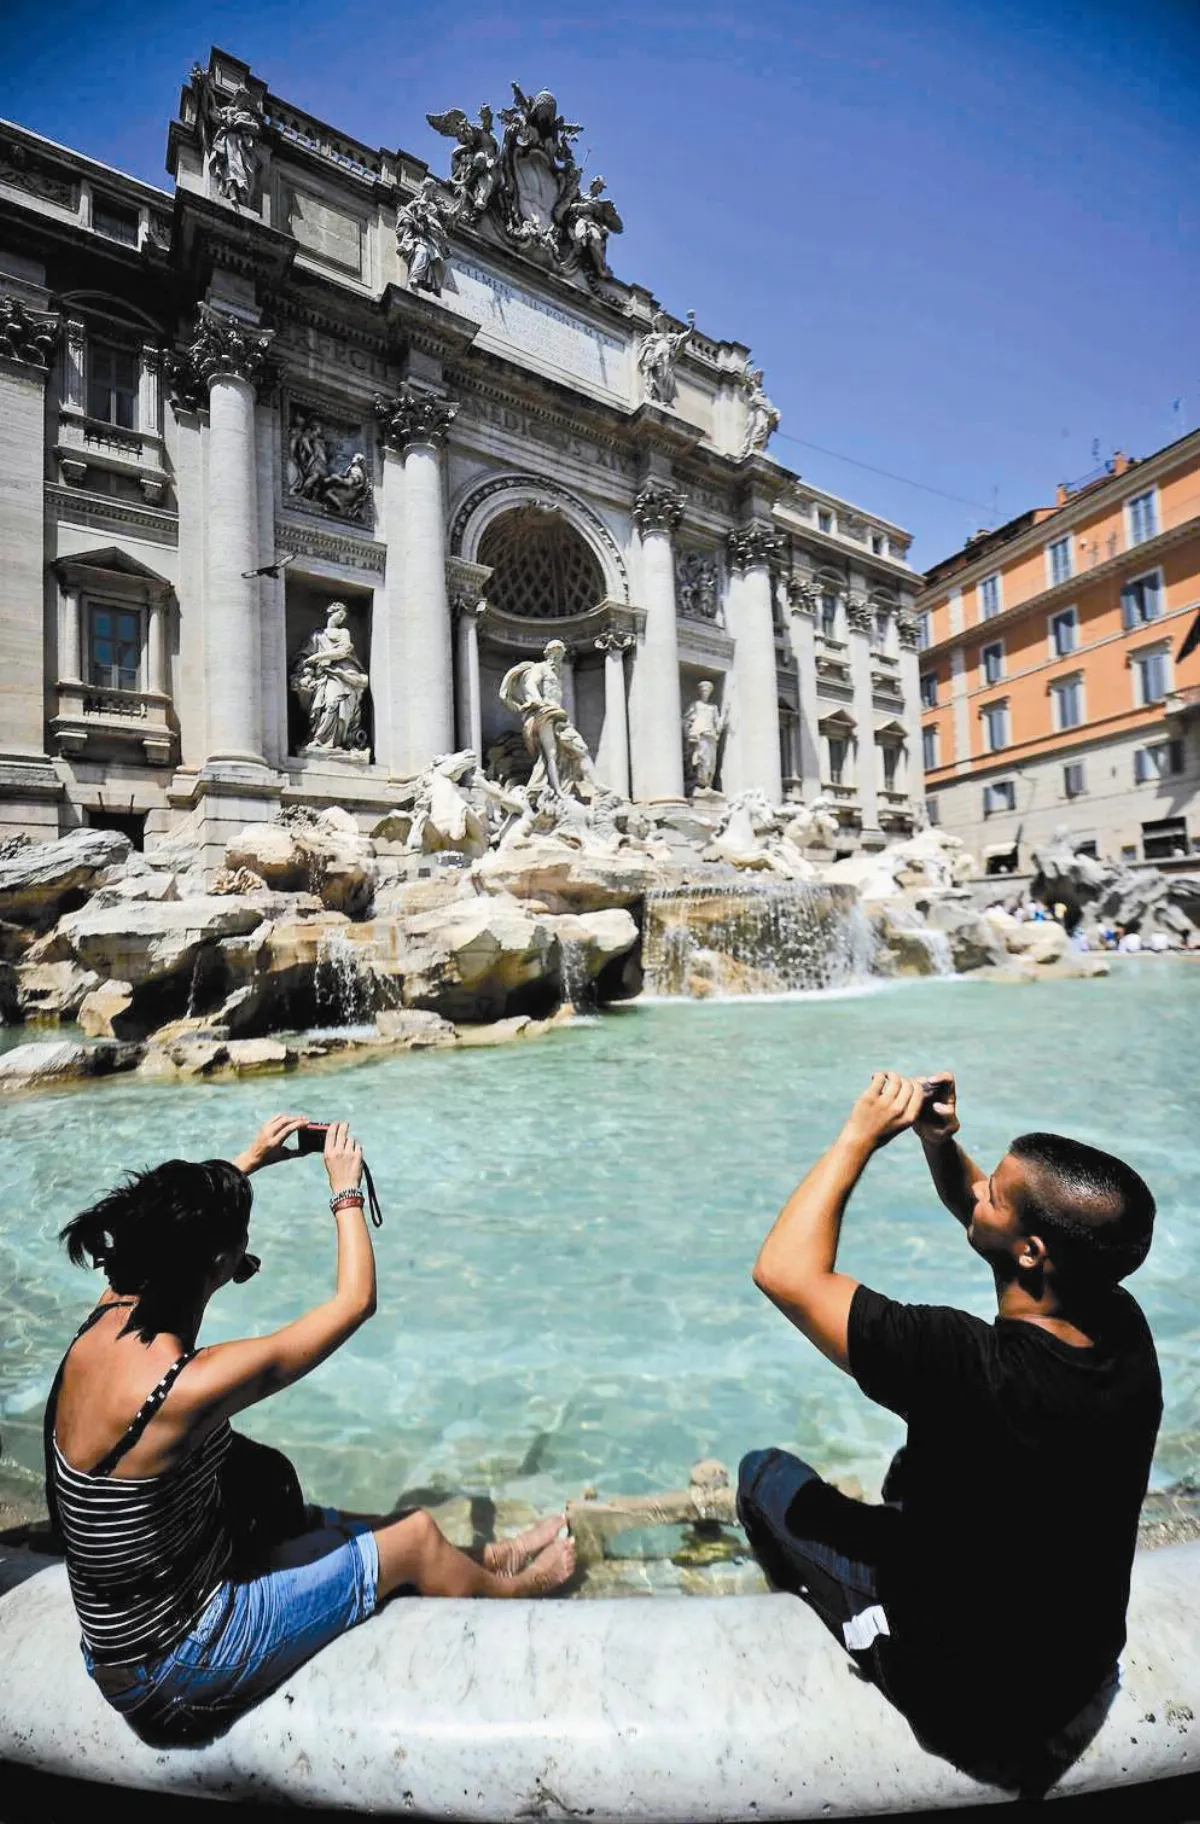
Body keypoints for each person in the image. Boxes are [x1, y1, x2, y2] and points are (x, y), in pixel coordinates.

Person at [46, 1115, 574, 1747]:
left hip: (129, 1635)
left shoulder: (112, 1308)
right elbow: (353, 1303)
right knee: (414, 1537)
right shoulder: (182, 1387)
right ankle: (514, 1591)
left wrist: (249, 1160)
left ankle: (488, 1557)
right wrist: (345, 1188)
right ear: (223, 1262)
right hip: (177, 1668)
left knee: (313, 1512)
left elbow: (164, 1230)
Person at [738, 1072, 1160, 1788]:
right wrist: (941, 1143)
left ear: (1031, 1252)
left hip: (972, 1707)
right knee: (921, 1474)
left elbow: (783, 1272)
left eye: (996, 1189)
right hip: (1082, 1669)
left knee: (764, 1475)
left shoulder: (962, 1364)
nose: (980, 1189)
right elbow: (988, 1214)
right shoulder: (1121, 1326)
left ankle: (830, 1618)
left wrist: (859, 1137)